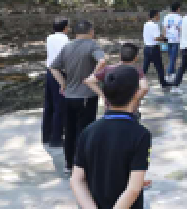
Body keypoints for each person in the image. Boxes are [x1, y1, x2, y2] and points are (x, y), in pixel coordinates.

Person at [70, 65, 151, 209]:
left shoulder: (88, 131)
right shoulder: (140, 134)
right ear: (136, 93)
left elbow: (77, 180)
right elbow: (133, 189)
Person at [49, 20, 106, 176]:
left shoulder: (67, 47)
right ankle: (83, 167)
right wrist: (92, 77)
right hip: (86, 96)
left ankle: (69, 165)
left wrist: (63, 84)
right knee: (85, 132)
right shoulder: (92, 45)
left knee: (69, 131)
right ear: (91, 31)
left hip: (69, 97)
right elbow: (102, 61)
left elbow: (53, 67)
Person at [84, 43, 149, 114]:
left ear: (120, 55)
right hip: (130, 109)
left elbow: (88, 81)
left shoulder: (108, 69)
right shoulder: (137, 71)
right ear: (136, 57)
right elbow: (144, 88)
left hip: (110, 108)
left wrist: (104, 96)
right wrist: (134, 99)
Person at [43, 19, 70, 147]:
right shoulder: (65, 40)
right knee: (60, 106)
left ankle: (46, 136)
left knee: (49, 105)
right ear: (65, 28)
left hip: (49, 72)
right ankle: (56, 139)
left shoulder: (49, 38)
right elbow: (65, 58)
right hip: (59, 73)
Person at [142, 9, 169, 88]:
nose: (159, 17)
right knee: (159, 67)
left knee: (145, 67)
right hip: (154, 49)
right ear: (155, 15)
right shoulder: (154, 25)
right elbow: (156, 38)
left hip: (147, 48)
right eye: (158, 15)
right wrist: (164, 39)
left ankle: (138, 82)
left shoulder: (146, 24)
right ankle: (163, 83)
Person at [163, 2, 182, 80]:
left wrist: (164, 38)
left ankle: (173, 73)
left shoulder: (166, 17)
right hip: (175, 40)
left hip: (168, 39)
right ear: (178, 9)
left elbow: (164, 28)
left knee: (171, 57)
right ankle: (168, 74)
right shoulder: (179, 17)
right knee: (173, 58)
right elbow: (180, 28)